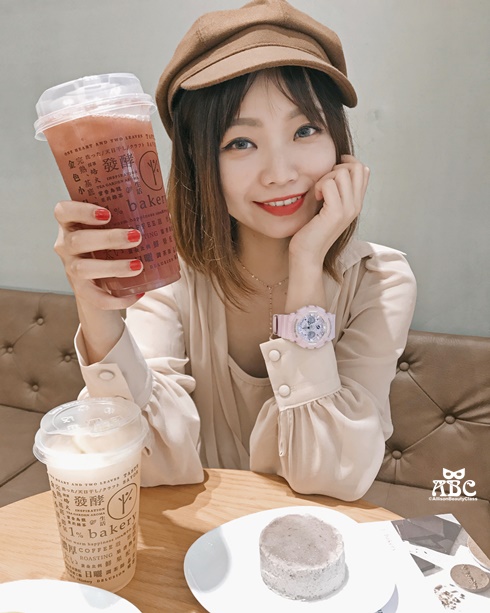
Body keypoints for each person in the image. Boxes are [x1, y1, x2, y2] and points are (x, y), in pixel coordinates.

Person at [53, 0, 416, 501]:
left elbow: (331, 475)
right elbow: (145, 463)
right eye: (240, 143)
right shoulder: (172, 276)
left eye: (305, 130)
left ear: (338, 142)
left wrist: (307, 265)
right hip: (200, 541)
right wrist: (97, 309)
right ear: (200, 161)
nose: (281, 173)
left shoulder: (380, 280)